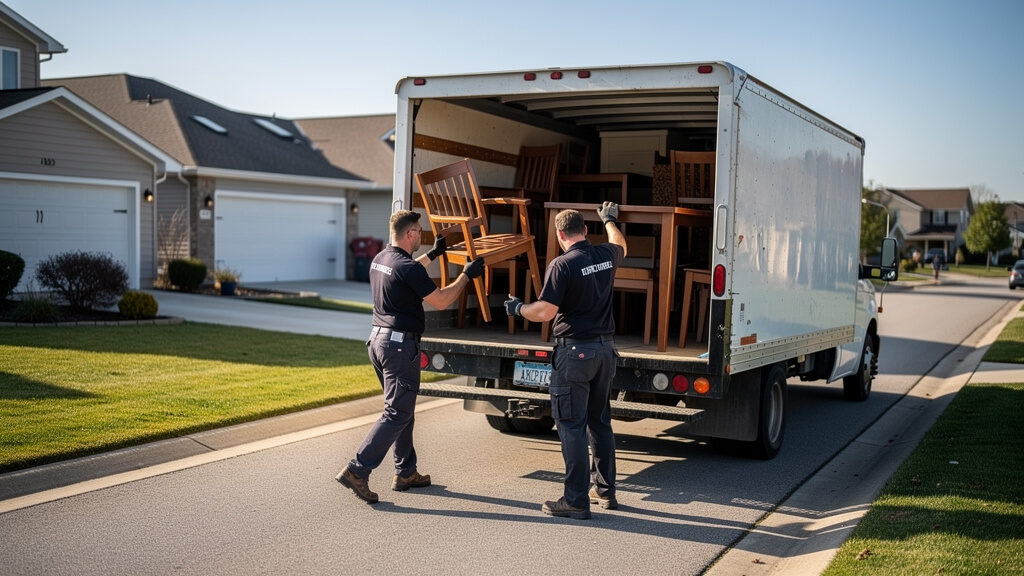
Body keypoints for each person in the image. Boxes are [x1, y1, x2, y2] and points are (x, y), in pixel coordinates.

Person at [337, 209, 485, 504]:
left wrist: (433, 254)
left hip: (377, 342)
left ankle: (405, 472)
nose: (421, 233)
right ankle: (357, 469)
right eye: (419, 230)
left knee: (402, 409)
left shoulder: (381, 259)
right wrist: (466, 276)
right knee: (397, 412)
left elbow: (407, 271)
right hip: (399, 347)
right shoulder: (407, 267)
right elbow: (441, 300)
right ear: (410, 234)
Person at [503, 201, 626, 520]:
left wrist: (518, 309)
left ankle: (575, 500)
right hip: (605, 351)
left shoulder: (562, 264)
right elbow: (619, 244)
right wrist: (610, 220)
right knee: (599, 422)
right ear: (585, 231)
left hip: (576, 354)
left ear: (560, 235)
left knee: (571, 425)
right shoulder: (604, 255)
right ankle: (605, 491)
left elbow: (545, 312)